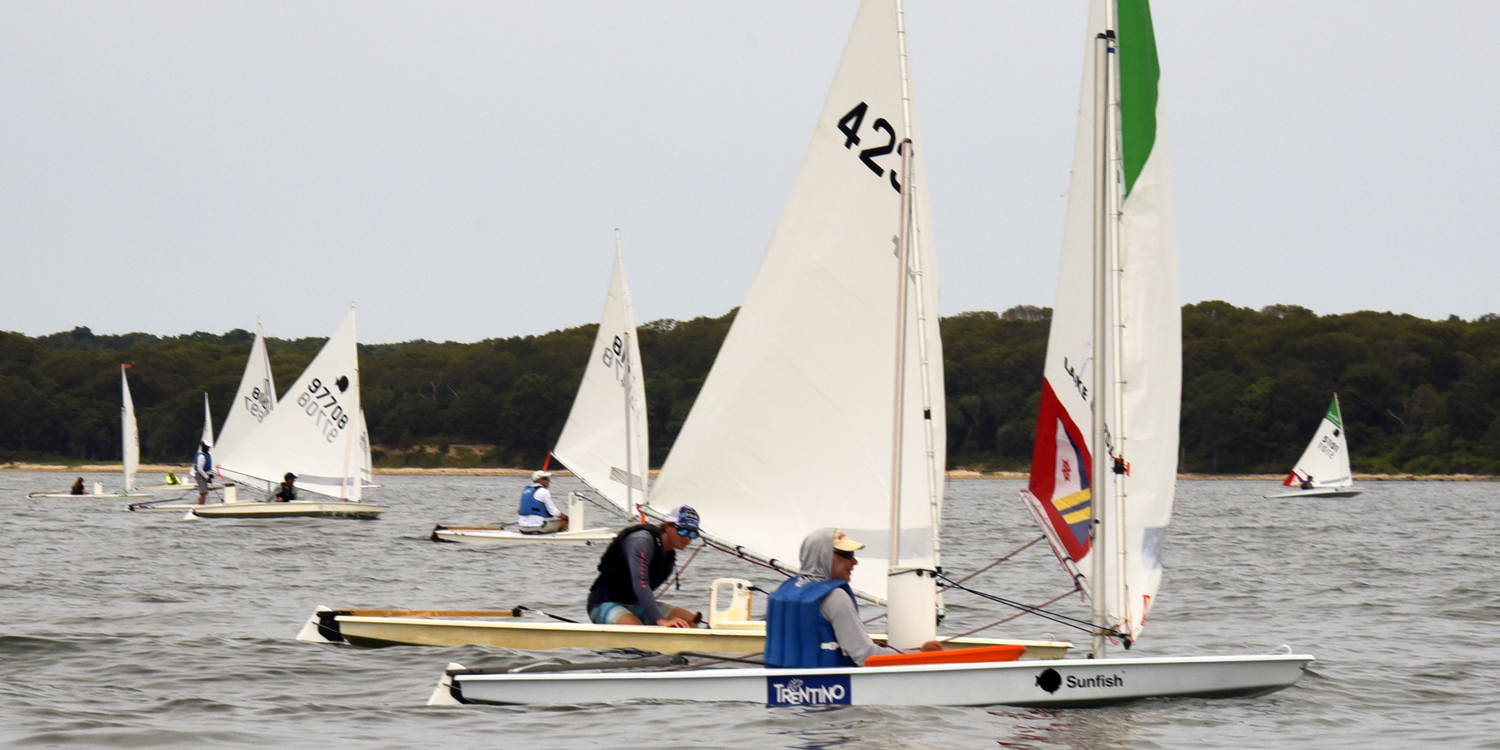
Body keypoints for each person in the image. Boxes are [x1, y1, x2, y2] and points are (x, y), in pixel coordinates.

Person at [765, 528, 941, 668]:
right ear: (825, 557)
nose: (854, 562)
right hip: (828, 694)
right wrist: (920, 655)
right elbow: (866, 656)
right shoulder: (836, 597)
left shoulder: (784, 590)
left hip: (782, 689)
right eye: (847, 555)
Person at [586, 505, 700, 628]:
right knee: (635, 627)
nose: (687, 538)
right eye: (682, 530)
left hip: (635, 605)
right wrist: (660, 620)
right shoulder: (641, 541)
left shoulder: (668, 553)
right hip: (604, 603)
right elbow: (641, 582)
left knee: (689, 622)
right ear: (667, 527)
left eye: (693, 533)